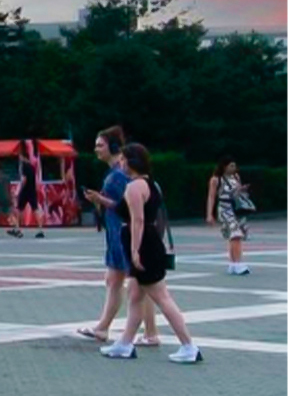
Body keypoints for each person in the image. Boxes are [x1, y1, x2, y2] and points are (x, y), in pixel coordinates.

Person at [101, 144, 201, 363]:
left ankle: (188, 346)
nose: (120, 163)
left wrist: (135, 250)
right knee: (135, 295)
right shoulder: (150, 184)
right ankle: (125, 344)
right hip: (149, 242)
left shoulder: (134, 187)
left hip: (144, 245)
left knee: (161, 297)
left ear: (132, 162)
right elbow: (131, 214)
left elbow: (137, 220)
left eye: (123, 159)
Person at [78, 126, 161, 346]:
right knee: (115, 280)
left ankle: (146, 333)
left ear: (113, 147)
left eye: (100, 145)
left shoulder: (117, 176)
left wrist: (100, 200)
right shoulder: (116, 173)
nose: (96, 149)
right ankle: (105, 328)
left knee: (140, 285)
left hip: (123, 233)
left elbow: (126, 207)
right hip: (118, 233)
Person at [207, 158, 252, 276]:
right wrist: (209, 214)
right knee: (235, 234)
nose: (234, 168)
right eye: (231, 166)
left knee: (235, 237)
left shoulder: (236, 177)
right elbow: (211, 197)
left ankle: (233, 264)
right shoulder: (216, 179)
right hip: (224, 208)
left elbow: (237, 194)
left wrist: (241, 190)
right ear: (224, 166)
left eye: (234, 166)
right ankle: (237, 263)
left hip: (236, 208)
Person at [16, 146, 45, 238]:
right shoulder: (32, 167)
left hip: (25, 191)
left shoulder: (24, 166)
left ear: (23, 156)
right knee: (35, 209)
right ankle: (40, 229)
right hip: (32, 190)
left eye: (20, 156)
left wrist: (20, 189)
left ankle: (18, 229)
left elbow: (24, 180)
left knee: (20, 209)